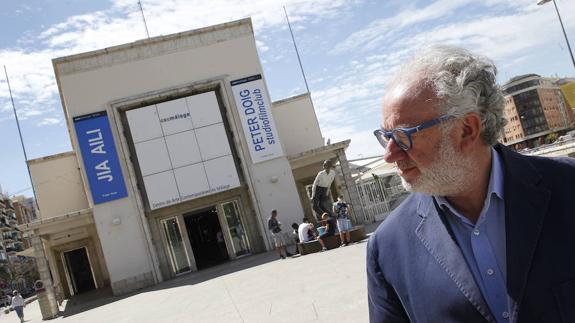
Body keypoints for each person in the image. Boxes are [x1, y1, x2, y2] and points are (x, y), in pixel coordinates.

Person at [367, 45, 575, 323]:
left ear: (467, 130)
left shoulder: (568, 187)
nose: (390, 154)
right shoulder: (388, 248)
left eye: (404, 136)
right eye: (386, 136)